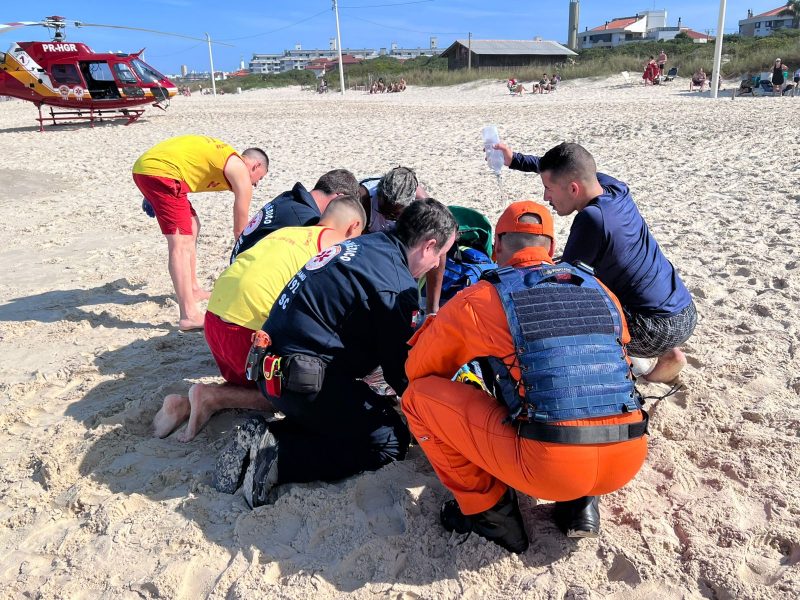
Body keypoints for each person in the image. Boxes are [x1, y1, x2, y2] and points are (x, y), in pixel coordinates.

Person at [402, 201, 648, 553]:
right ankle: (581, 505)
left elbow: (419, 371)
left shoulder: (483, 297)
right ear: (550, 248)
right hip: (627, 456)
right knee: (570, 379)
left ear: (497, 246)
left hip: (549, 464)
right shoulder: (599, 289)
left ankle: (491, 516)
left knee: (417, 399)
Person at [213, 198, 457, 508]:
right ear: (428, 245)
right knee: (389, 439)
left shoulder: (367, 245)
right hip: (302, 380)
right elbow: (403, 375)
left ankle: (264, 436)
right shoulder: (395, 285)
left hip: (267, 365)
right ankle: (280, 457)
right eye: (439, 255)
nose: (436, 265)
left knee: (359, 408)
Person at [152, 194, 366, 442]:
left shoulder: (285, 232)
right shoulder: (335, 246)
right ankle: (212, 398)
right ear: (354, 227)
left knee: (260, 377)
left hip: (213, 323)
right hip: (244, 334)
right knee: (294, 390)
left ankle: (186, 404)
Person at [494, 142, 697, 384]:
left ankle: (630, 362)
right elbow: (567, 165)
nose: (546, 197)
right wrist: (514, 159)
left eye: (548, 188)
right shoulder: (614, 188)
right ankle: (669, 356)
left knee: (570, 309)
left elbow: (561, 284)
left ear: (572, 188)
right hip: (684, 310)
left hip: (654, 330)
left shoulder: (592, 220)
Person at [132, 135, 269, 330]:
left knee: (192, 225)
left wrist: (149, 193)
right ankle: (188, 314)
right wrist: (248, 261)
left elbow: (184, 157)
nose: (255, 184)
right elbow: (240, 230)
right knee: (181, 242)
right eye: (259, 178)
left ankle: (193, 288)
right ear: (255, 166)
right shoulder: (239, 170)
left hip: (155, 169)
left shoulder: (226, 159)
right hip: (161, 173)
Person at [230, 169, 360, 262]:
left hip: (237, 263)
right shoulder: (307, 220)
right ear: (339, 197)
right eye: (344, 206)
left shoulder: (290, 196)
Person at [357, 166, 427, 234]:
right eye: (382, 210)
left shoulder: (423, 204)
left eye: (393, 216)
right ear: (378, 195)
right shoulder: (362, 199)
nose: (386, 216)